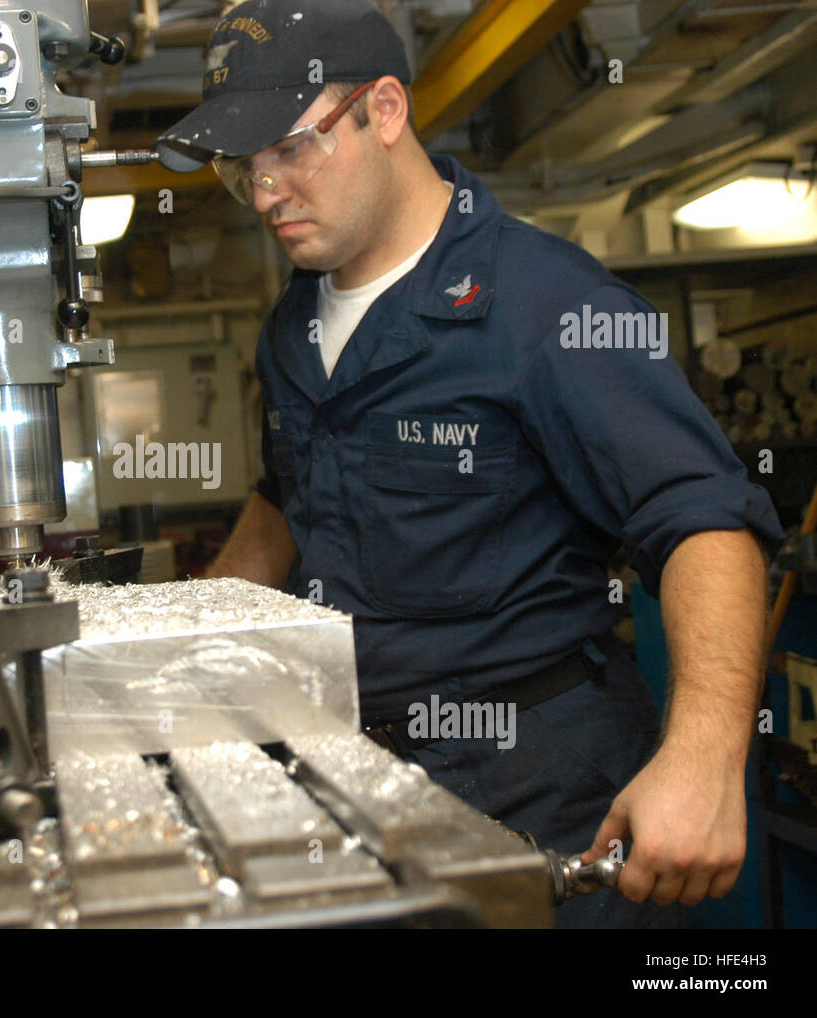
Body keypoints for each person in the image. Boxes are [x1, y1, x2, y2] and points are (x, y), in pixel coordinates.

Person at [156, 0, 784, 928]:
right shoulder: (291, 328)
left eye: (290, 148)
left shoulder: (546, 307)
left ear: (385, 110)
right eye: (240, 167)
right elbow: (288, 497)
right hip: (366, 783)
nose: (263, 193)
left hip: (544, 792)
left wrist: (701, 760)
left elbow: (705, 521)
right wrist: (175, 657)